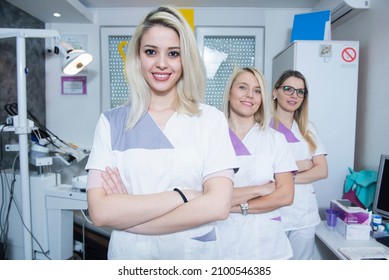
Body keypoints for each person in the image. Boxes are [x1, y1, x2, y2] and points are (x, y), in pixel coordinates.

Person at [85, 6, 238, 260]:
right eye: (151, 51)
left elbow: (219, 205)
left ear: (185, 59)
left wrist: (129, 216)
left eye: (174, 53)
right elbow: (100, 212)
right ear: (138, 56)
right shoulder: (110, 122)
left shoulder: (210, 120)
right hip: (130, 257)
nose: (161, 64)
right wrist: (183, 195)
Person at [218, 66, 297, 259]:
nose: (250, 95)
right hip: (221, 239)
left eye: (257, 90)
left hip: (266, 243)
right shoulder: (211, 137)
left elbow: (285, 195)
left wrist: (232, 206)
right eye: (243, 87)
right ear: (229, 93)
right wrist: (258, 190)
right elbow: (202, 195)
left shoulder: (275, 139)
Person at [270, 70, 328, 260]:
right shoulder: (261, 127)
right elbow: (261, 170)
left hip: (303, 214)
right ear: (274, 92)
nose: (294, 95)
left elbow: (322, 170)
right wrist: (302, 164)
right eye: (288, 89)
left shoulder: (308, 128)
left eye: (300, 91)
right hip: (272, 212)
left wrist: (286, 176)